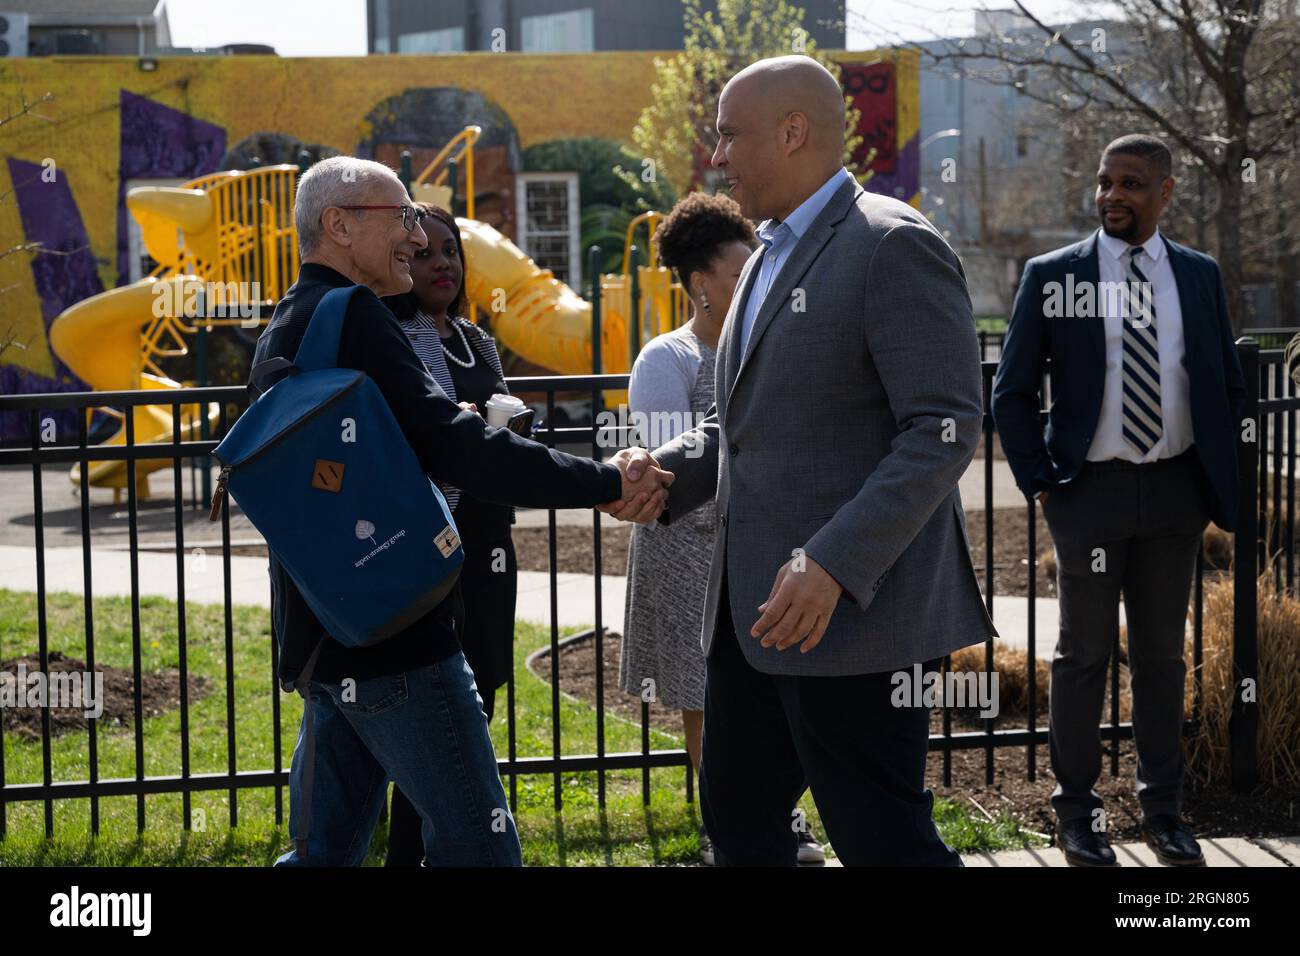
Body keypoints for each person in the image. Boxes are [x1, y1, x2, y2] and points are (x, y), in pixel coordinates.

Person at [602, 56, 994, 866]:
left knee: (881, 840)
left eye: (729, 136)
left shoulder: (891, 244)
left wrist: (833, 564)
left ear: (793, 132)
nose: (717, 157)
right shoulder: (765, 257)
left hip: (851, 621)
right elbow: (739, 424)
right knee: (740, 825)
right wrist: (665, 473)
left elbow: (943, 428)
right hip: (750, 623)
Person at [253, 156, 672, 867]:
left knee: (323, 855)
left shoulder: (287, 324)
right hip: (401, 638)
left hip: (328, 632)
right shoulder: (354, 315)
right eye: (403, 218)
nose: (416, 240)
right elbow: (456, 445)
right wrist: (602, 481)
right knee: (481, 848)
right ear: (339, 225)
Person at [992, 134, 1245, 867]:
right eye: (1104, 182)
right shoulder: (1054, 274)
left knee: (1163, 659)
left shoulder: (1197, 276)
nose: (1112, 196)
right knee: (1081, 657)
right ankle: (1079, 815)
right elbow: (1011, 392)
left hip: (1173, 493)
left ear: (1166, 193)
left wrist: (1212, 480)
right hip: (1088, 493)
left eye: (1130, 184)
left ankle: (1164, 813)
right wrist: (1045, 482)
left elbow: (1225, 381)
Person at [620, 192, 822, 864]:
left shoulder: (767, 350)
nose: (753, 285)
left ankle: (777, 817)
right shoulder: (665, 361)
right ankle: (724, 826)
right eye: (740, 275)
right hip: (687, 554)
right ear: (700, 284)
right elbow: (669, 474)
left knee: (769, 696)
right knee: (705, 697)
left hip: (756, 546)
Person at [378, 204, 520, 866]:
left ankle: (452, 843)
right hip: (432, 541)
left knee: (481, 690)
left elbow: (499, 425)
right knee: (434, 709)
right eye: (425, 252)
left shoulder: (478, 340)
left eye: (450, 251)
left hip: (491, 540)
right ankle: (411, 851)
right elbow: (397, 438)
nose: (441, 264)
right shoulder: (395, 339)